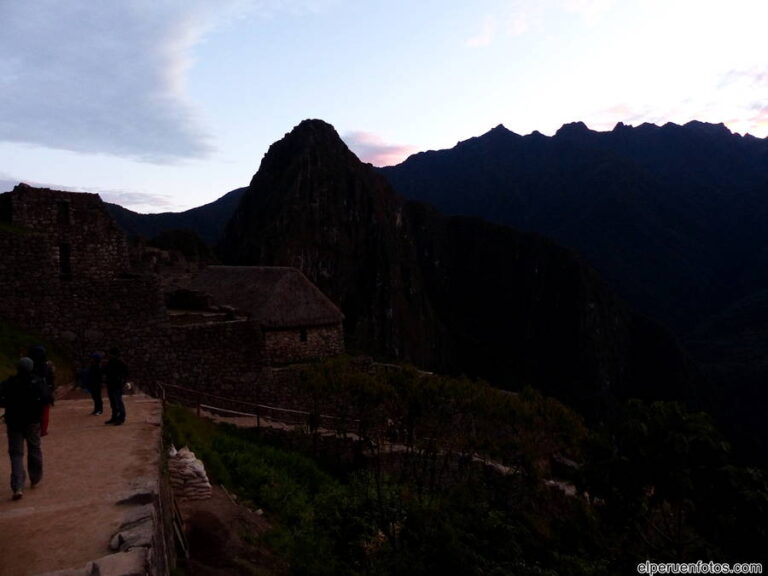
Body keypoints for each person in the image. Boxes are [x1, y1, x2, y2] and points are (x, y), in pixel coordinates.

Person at [0, 357, 53, 500]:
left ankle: (17, 486)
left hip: (14, 422)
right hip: (32, 421)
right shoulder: (37, 382)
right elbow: (47, 398)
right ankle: (35, 477)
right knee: (34, 448)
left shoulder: (10, 383)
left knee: (16, 454)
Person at [28, 345, 55, 436]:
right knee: (44, 411)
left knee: (33, 411)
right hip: (43, 391)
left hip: (32, 391)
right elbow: (50, 379)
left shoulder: (30, 365)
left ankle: (34, 429)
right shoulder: (45, 366)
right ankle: (42, 430)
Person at [104, 348, 128, 425]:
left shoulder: (120, 362)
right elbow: (105, 371)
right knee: (113, 403)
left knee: (118, 402)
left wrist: (122, 379)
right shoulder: (110, 362)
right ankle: (114, 417)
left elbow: (126, 372)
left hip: (117, 385)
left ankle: (121, 418)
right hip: (110, 384)